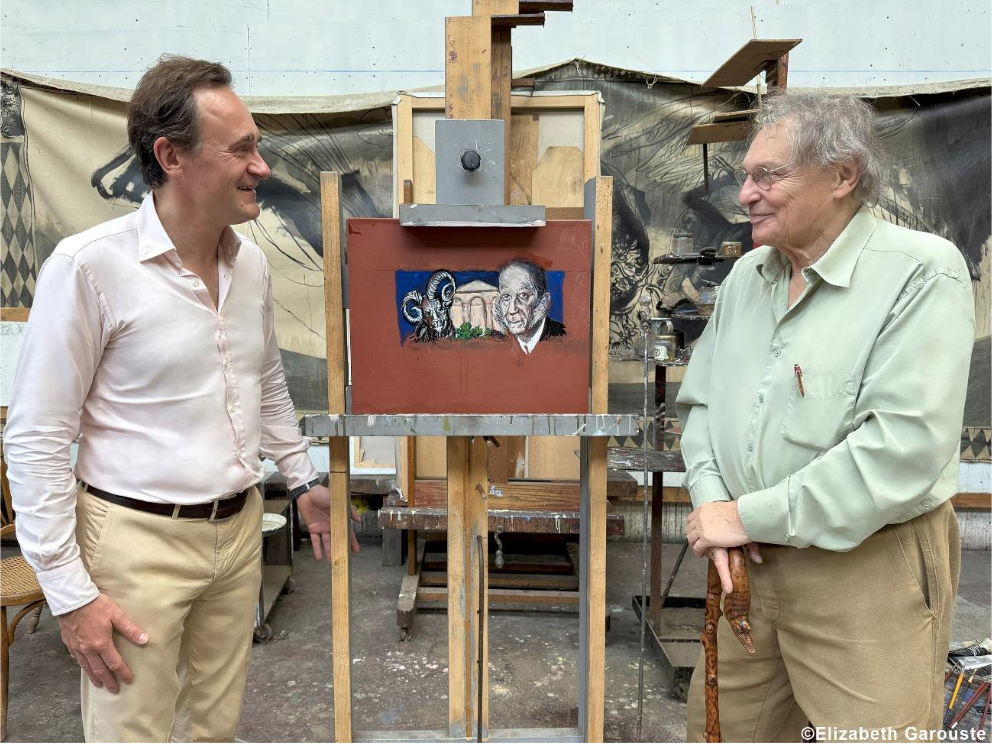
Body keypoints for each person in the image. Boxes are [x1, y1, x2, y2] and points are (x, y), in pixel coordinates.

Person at [3, 55, 357, 742]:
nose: (261, 167)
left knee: (212, 730)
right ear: (171, 156)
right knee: (133, 732)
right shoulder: (89, 268)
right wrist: (70, 593)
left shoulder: (247, 263)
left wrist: (303, 476)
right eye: (242, 150)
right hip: (134, 544)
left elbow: (266, 379)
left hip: (238, 531)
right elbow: (37, 437)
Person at [676, 90, 974, 742]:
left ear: (842, 174)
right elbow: (700, 407)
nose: (745, 194)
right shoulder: (749, 276)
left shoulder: (921, 273)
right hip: (745, 563)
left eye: (768, 175)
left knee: (871, 736)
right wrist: (713, 505)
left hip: (864, 571)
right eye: (746, 175)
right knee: (719, 733)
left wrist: (742, 515)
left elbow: (902, 451)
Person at [492, 258, 566, 353]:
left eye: (523, 295)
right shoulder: (500, 345)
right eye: (506, 296)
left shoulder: (562, 338)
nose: (511, 310)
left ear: (543, 302)